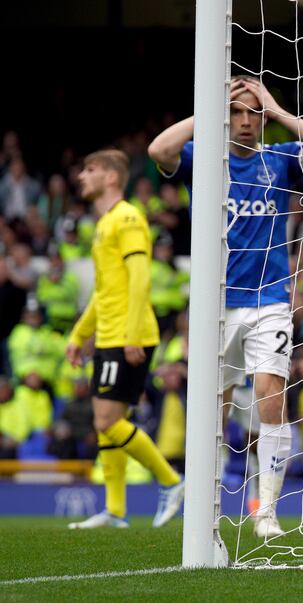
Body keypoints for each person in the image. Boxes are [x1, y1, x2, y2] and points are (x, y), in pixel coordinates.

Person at [148, 75, 303, 538]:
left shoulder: (279, 161)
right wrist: (211, 110)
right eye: (236, 113)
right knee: (212, 410)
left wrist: (275, 110)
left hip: (269, 300)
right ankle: (208, 506)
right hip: (215, 306)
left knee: (270, 398)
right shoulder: (203, 159)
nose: (244, 121)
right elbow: (159, 151)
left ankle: (267, 511)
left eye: (251, 113)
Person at [65, 149, 185, 529]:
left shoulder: (129, 217)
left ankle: (171, 481)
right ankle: (115, 510)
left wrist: (132, 334)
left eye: (90, 169)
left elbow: (140, 279)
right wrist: (79, 334)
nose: (82, 176)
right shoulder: (104, 223)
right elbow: (105, 291)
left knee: (107, 420)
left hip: (128, 335)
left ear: (112, 177)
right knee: (108, 422)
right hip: (110, 334)